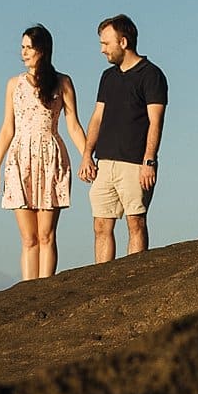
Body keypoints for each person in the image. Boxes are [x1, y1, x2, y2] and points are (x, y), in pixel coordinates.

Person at [0, 24, 87, 279]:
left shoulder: (63, 82)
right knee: (28, 237)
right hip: (20, 157)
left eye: (29, 47)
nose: (23, 52)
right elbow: (7, 128)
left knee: (46, 235)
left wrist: (87, 156)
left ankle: (46, 289)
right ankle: (28, 289)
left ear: (42, 50)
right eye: (22, 47)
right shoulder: (14, 84)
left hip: (50, 157)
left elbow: (73, 124)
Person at [81, 13, 168, 262]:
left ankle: (135, 278)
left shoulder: (151, 75)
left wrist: (149, 160)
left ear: (123, 42)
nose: (102, 49)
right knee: (100, 225)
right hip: (104, 162)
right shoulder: (107, 77)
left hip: (135, 163)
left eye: (106, 43)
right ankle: (103, 278)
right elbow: (97, 117)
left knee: (135, 223)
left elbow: (156, 121)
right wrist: (87, 155)